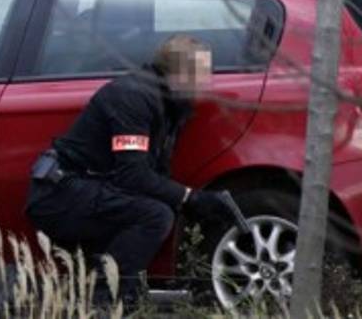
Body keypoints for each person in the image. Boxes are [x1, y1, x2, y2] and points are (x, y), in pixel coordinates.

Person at [25, 35, 241, 308]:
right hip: (60, 193)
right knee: (155, 216)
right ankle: (103, 300)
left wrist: (187, 202)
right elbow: (133, 175)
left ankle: (119, 290)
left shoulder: (170, 103)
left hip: (92, 186)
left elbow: (153, 172)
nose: (207, 83)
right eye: (200, 75)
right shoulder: (133, 98)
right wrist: (191, 197)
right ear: (177, 74)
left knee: (163, 208)